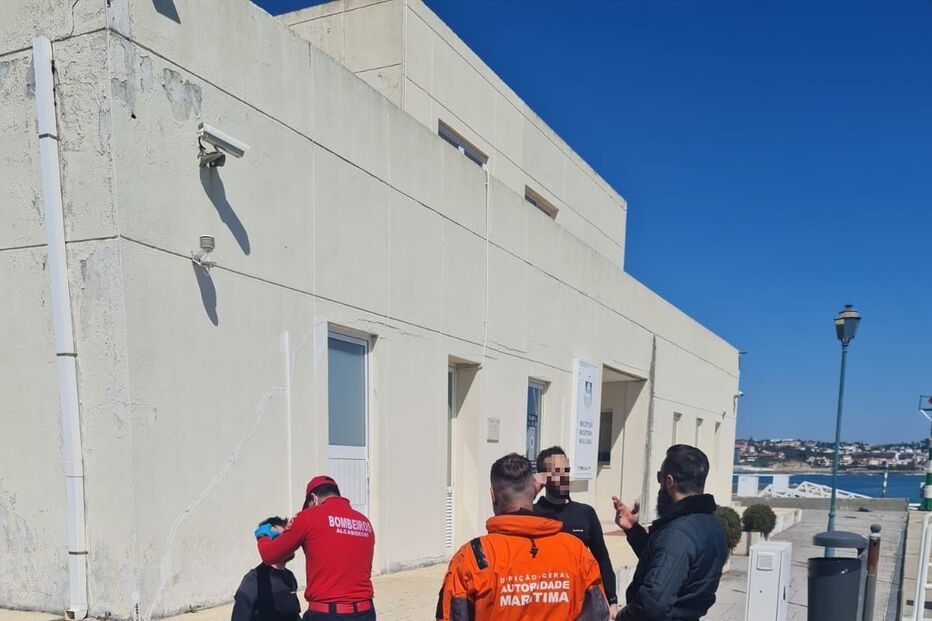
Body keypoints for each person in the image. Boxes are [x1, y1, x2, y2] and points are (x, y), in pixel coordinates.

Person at [436, 452, 610, 621]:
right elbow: (598, 613)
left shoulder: (471, 558)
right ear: (534, 488)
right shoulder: (576, 551)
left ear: (493, 495)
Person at [611, 445, 727, 621]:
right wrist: (633, 530)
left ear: (669, 481)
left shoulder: (678, 533)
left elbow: (653, 604)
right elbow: (667, 564)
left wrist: (621, 617)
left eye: (660, 477)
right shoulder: (712, 524)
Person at [256, 476, 375, 621]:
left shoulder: (308, 517)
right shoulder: (365, 522)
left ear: (313, 499)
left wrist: (263, 534)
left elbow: (269, 556)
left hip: (328, 614)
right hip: (366, 612)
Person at [534, 446, 619, 618]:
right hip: (543, 605)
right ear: (543, 477)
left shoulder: (585, 513)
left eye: (567, 470)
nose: (565, 477)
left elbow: (602, 558)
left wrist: (612, 600)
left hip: (581, 606)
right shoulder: (532, 513)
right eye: (557, 472)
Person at [233, 517, 302, 621]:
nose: (288, 542)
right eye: (281, 537)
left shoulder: (289, 577)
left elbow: (293, 615)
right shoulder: (253, 581)